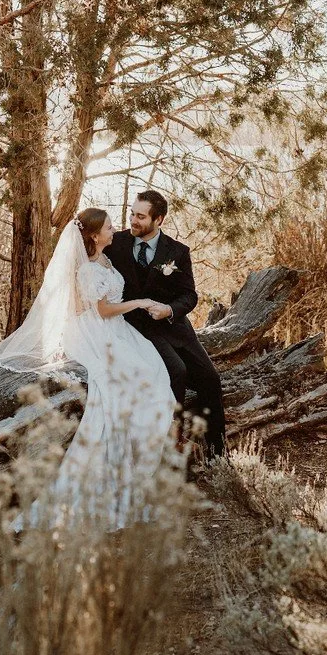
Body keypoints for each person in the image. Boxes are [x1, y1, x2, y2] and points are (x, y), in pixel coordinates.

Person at [0, 207, 180, 531]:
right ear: (93, 235)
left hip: (115, 330)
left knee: (155, 374)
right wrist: (139, 302)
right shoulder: (88, 270)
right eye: (107, 226)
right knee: (132, 387)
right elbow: (103, 310)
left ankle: (141, 470)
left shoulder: (105, 259)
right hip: (97, 332)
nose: (114, 228)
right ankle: (121, 479)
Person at [104, 190, 227, 459]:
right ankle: (173, 443)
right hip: (136, 328)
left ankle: (218, 455)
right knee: (177, 371)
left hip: (175, 327)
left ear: (158, 219)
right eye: (132, 214)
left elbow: (190, 295)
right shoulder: (116, 244)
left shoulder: (177, 252)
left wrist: (170, 310)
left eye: (140, 216)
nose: (133, 221)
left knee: (210, 379)